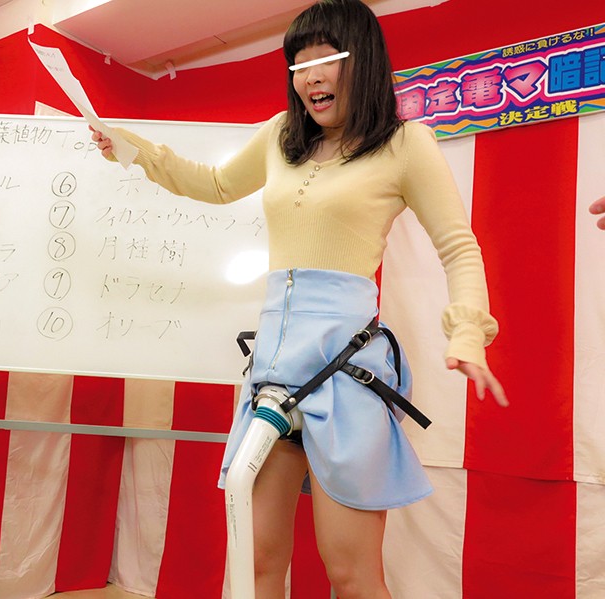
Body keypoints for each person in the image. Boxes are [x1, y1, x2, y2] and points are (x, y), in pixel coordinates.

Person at [92, 1, 507, 596]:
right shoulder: (278, 136)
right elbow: (215, 185)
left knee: (352, 575)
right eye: (298, 65)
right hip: (273, 370)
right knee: (256, 561)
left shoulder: (405, 144)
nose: (310, 77)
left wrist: (468, 332)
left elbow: (458, 247)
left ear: (363, 62)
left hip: (345, 373)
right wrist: (133, 148)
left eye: (326, 60)